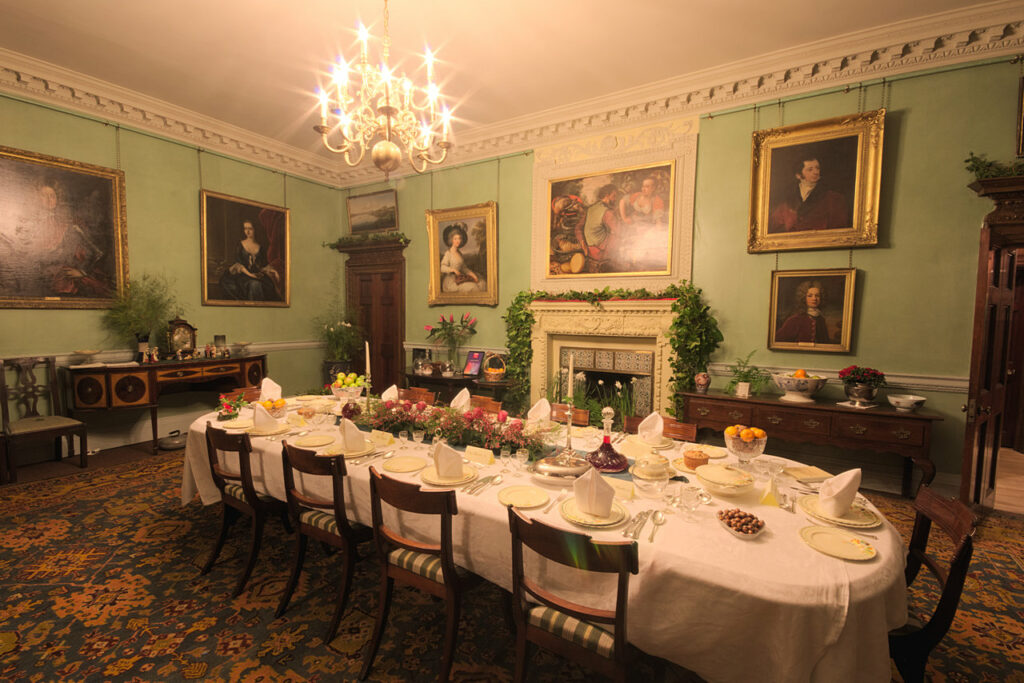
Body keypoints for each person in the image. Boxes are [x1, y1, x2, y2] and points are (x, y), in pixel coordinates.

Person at [768, 157, 849, 233]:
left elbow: (839, 228)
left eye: (817, 168)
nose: (816, 172)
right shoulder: (788, 199)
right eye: (810, 169)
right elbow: (775, 226)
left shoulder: (833, 198)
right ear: (798, 175)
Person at [219, 220, 279, 300]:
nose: (247, 231)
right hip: (243, 275)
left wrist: (273, 271)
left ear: (255, 230)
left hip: (257, 275)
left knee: (269, 286)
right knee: (254, 284)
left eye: (250, 229)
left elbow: (263, 265)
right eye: (245, 228)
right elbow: (239, 265)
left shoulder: (261, 247)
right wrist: (251, 275)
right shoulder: (240, 245)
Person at [576, 183, 621, 268]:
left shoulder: (590, 209)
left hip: (589, 251)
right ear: (607, 195)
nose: (615, 199)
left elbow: (578, 228)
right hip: (601, 254)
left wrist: (583, 243)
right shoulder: (608, 213)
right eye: (614, 196)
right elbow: (619, 232)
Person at [440, 222, 485, 292]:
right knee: (473, 287)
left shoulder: (459, 253)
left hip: (460, 278)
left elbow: (464, 268)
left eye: (459, 238)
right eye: (455, 239)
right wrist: (453, 270)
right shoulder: (448, 253)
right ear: (451, 240)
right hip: (451, 282)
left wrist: (473, 275)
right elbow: (442, 267)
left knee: (481, 283)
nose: (458, 241)